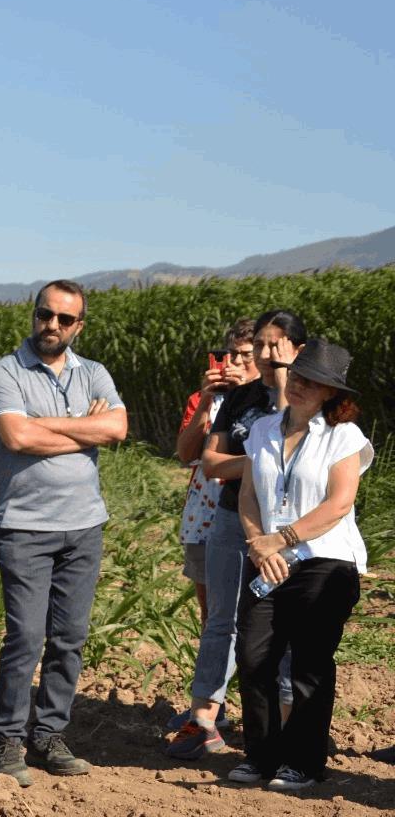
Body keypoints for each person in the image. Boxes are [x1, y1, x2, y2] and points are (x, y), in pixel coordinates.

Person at [0, 280, 128, 787]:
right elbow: (15, 436)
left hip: (83, 525)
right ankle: (8, 740)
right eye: (45, 314)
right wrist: (82, 429)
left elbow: (116, 429)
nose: (52, 325)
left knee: (69, 638)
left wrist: (45, 426)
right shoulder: (5, 370)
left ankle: (49, 735)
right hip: (24, 526)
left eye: (65, 319)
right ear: (34, 315)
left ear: (78, 326)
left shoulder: (94, 373)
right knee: (25, 637)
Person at [230, 339, 372, 791]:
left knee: (309, 663)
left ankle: (304, 763)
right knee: (253, 657)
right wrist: (260, 545)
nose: (301, 385)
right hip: (268, 560)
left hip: (324, 561)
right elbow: (248, 495)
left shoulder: (343, 437)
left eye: (314, 382)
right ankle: (261, 756)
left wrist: (281, 539)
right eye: (298, 375)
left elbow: (339, 504)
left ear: (331, 392)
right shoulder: (262, 429)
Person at [166, 310, 306, 760]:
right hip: (231, 517)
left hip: (289, 526)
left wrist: (283, 388)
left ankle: (290, 724)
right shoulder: (240, 398)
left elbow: (306, 458)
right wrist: (265, 463)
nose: (265, 353)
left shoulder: (310, 395)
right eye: (259, 344)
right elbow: (210, 463)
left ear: (297, 349)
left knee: (287, 625)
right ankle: (204, 718)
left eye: (275, 345)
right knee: (220, 620)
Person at [161, 317, 255, 743]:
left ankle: (254, 704)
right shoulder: (205, 399)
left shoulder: (273, 402)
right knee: (214, 619)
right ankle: (216, 707)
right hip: (205, 516)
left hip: (250, 518)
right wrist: (206, 403)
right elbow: (185, 453)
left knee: (255, 620)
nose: (235, 364)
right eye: (230, 355)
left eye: (245, 356)